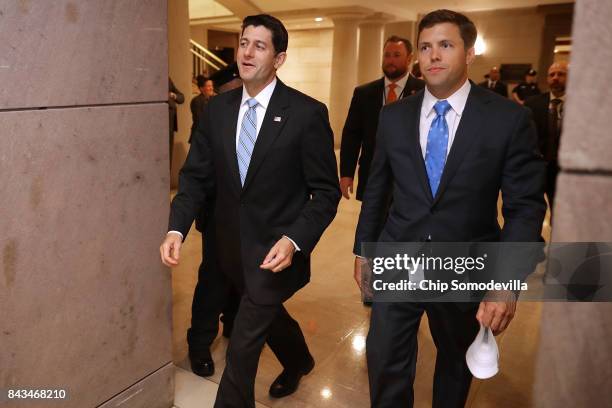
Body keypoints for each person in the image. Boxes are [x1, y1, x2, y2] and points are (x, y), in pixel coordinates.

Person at [353, 9, 546, 407]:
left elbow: (524, 208)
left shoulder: (508, 119)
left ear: (470, 52)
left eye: (445, 45)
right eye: (425, 47)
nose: (433, 55)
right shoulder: (393, 117)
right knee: (385, 358)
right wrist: (364, 249)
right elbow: (377, 190)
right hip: (398, 258)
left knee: (455, 366)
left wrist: (505, 280)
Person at [160, 14, 340, 407]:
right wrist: (176, 229)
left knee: (241, 352)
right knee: (270, 316)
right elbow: (195, 178)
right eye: (244, 42)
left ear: (279, 58)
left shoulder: (306, 114)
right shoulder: (217, 110)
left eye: (259, 45)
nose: (247, 51)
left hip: (275, 252)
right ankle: (299, 360)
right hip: (227, 251)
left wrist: (294, 240)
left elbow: (326, 193)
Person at [186, 74, 240, 378]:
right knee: (213, 280)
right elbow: (195, 176)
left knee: (242, 278)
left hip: (250, 223)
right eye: (230, 92)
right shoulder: (211, 122)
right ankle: (199, 343)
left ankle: (232, 322)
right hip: (218, 219)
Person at [340, 36, 425, 201]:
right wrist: (346, 173)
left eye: (396, 55)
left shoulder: (424, 92)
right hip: (372, 175)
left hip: (411, 179)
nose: (390, 60)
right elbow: (352, 135)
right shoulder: (364, 93)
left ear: (409, 59)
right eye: (387, 55)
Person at [524, 61, 568, 217]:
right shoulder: (532, 104)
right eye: (552, 74)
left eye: (561, 74)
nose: (555, 78)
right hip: (538, 168)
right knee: (531, 212)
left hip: (565, 171)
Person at [168, 77, 185, 169]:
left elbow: (181, 97)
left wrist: (173, 95)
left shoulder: (168, 79)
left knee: (169, 154)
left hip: (170, 125)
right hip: (157, 123)